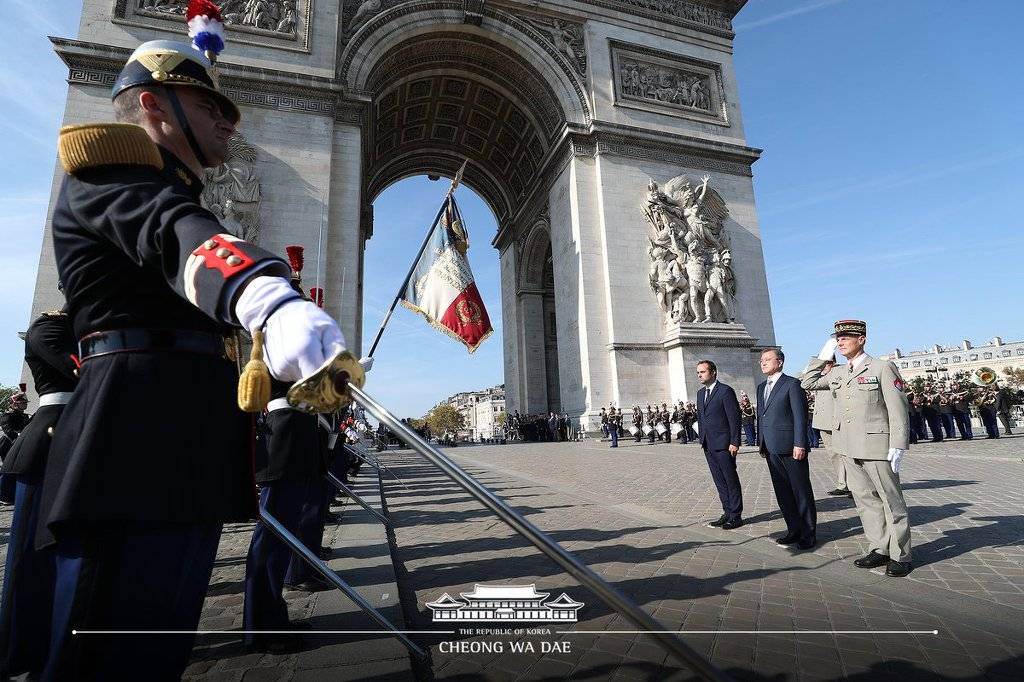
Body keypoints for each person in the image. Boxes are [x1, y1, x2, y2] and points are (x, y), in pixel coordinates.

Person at [37, 34, 351, 678]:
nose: (228, 123)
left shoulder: (171, 188)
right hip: (131, 449)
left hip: (178, 448)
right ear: (154, 107)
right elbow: (177, 237)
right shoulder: (109, 175)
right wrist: (261, 293)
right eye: (210, 108)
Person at [0, 304, 77, 678]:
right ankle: (19, 648)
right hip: (50, 440)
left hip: (85, 437)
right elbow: (80, 369)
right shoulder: (49, 326)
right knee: (31, 556)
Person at [804, 320, 912, 577]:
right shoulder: (839, 372)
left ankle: (901, 554)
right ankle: (879, 547)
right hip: (847, 446)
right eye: (837, 338)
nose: (840, 341)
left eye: (846, 337)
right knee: (865, 501)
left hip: (877, 447)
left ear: (861, 339)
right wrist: (822, 354)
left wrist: (898, 444)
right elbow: (807, 382)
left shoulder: (882, 367)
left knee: (890, 501)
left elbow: (898, 409)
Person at [756, 349, 815, 550]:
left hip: (791, 447)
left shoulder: (792, 384)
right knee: (783, 493)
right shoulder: (761, 386)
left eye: (767, 360)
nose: (762, 363)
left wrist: (800, 443)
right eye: (761, 360)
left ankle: (808, 533)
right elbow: (761, 417)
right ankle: (793, 530)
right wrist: (761, 442)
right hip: (771, 447)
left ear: (779, 362)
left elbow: (800, 416)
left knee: (801, 492)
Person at [695, 360, 743, 529]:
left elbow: (734, 418)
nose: (700, 375)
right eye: (698, 372)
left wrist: (734, 442)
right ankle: (727, 512)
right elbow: (701, 418)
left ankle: (736, 515)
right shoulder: (701, 394)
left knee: (730, 480)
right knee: (719, 481)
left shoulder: (725, 391)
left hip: (724, 445)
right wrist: (702, 438)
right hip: (708, 444)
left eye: (703, 371)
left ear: (713, 372)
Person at [801, 356, 850, 498]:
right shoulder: (821, 376)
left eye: (826, 363)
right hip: (823, 422)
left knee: (846, 455)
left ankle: (854, 485)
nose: (823, 366)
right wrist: (814, 366)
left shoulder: (839, 372)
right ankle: (843, 484)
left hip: (838, 421)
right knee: (834, 455)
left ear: (832, 362)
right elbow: (803, 380)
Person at [0, 392, 31, 466]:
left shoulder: (24, 416)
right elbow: (9, 431)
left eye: (25, 402)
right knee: (7, 469)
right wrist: (21, 434)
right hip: (8, 445)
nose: (25, 404)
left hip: (20, 444)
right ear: (15, 404)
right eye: (23, 403)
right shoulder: (7, 416)